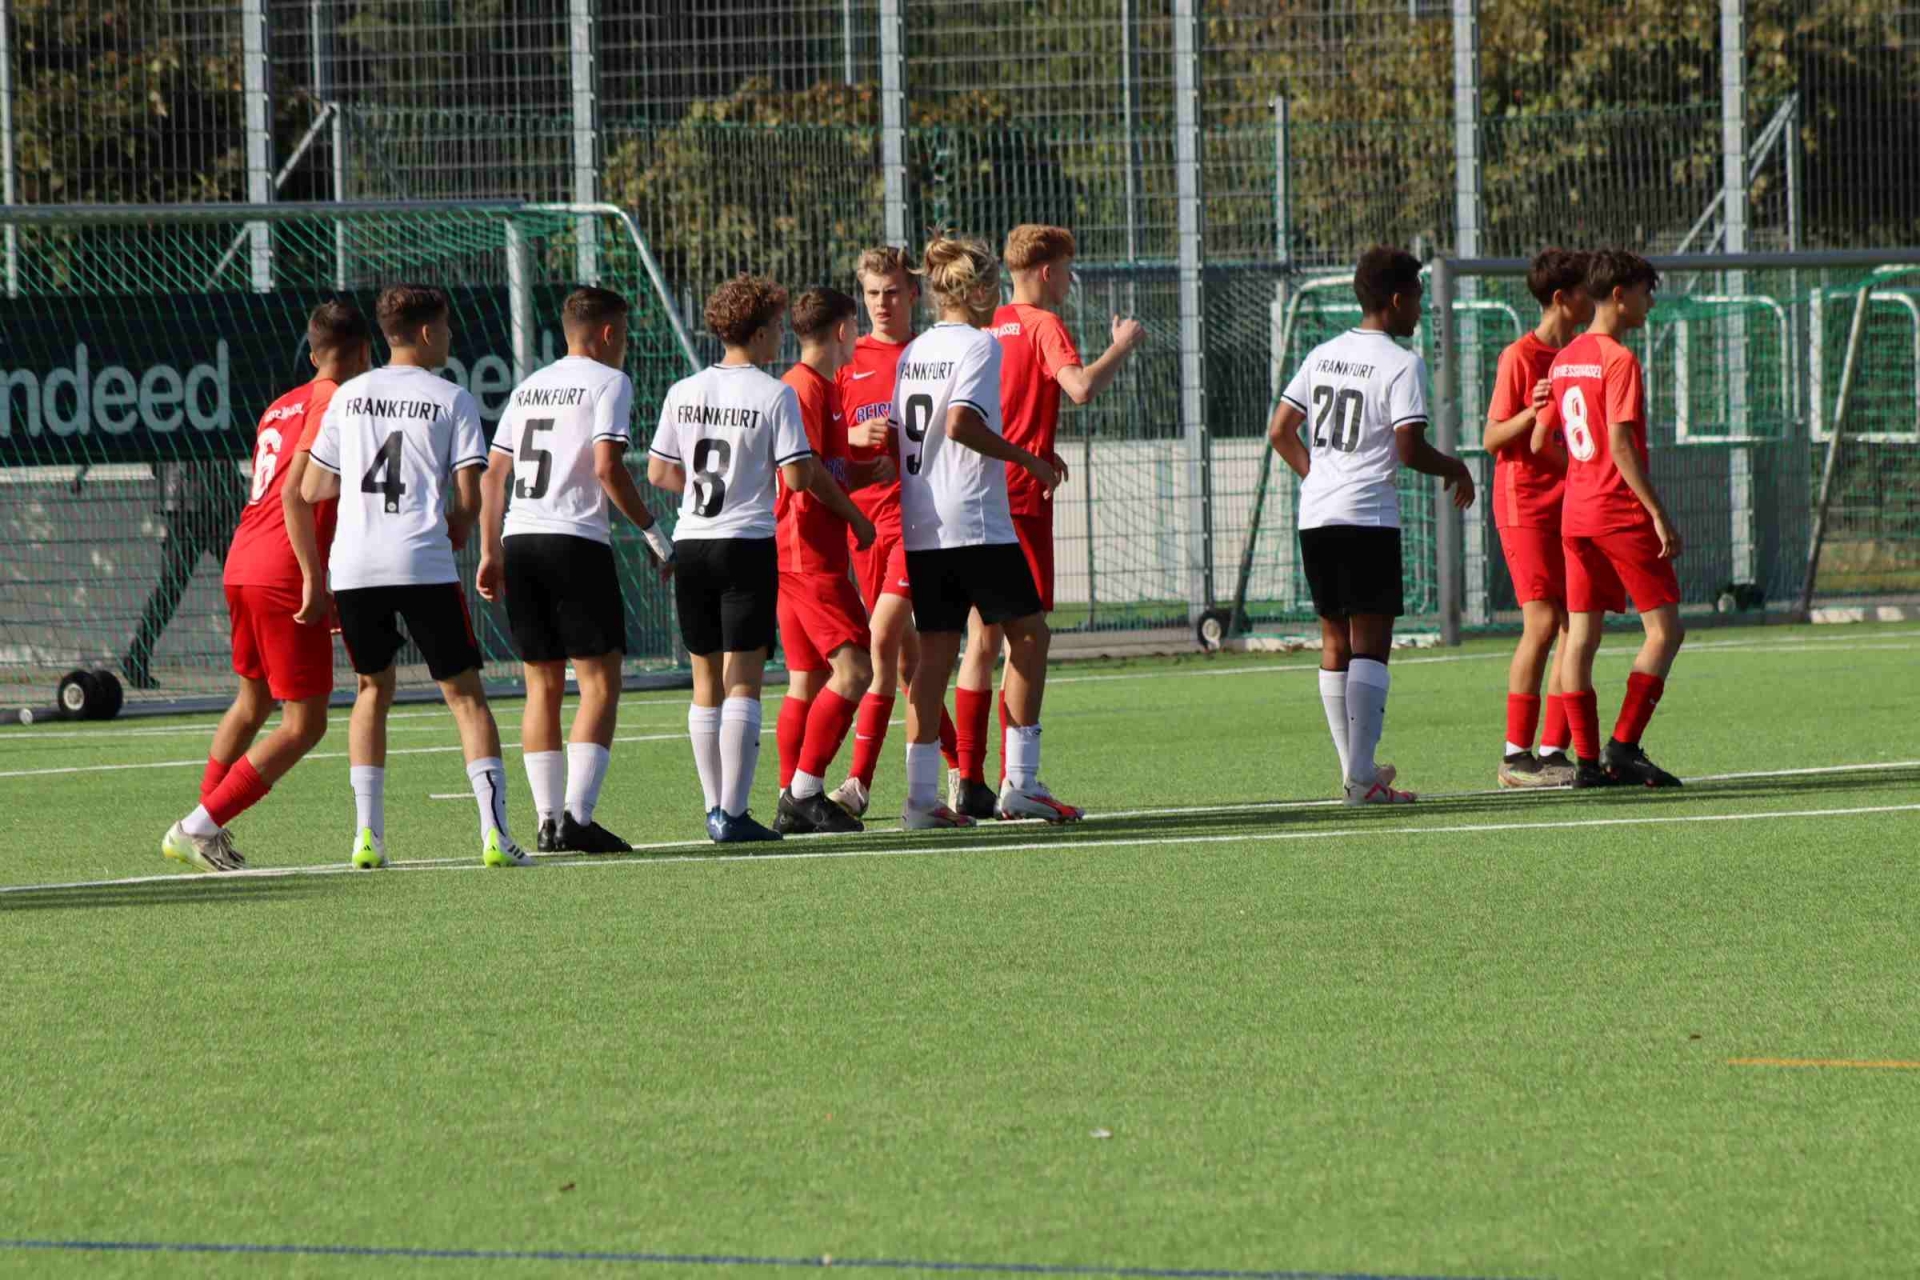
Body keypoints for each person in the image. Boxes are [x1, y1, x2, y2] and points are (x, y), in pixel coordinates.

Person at [300, 283, 530, 868]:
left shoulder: (348, 397)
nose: (450, 337)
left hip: (354, 566)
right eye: (447, 328)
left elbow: (313, 487)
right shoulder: (450, 398)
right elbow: (468, 491)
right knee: (465, 698)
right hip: (420, 559)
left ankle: (367, 838)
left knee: (372, 691)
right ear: (427, 332)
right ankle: (495, 836)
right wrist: (458, 528)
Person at [857, 233, 1074, 828]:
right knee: (1030, 637)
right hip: (974, 519)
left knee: (933, 657)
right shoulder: (979, 347)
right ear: (977, 291)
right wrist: (1026, 459)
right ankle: (1022, 782)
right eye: (993, 286)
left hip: (923, 523)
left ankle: (922, 800)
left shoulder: (914, 351)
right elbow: (960, 425)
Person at [648, 275, 872, 843]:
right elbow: (797, 475)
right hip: (746, 543)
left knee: (706, 682)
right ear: (761, 330)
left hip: (692, 540)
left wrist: (703, 492)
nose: (781, 337)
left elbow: (659, 473)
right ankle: (736, 811)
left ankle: (711, 811)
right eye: (776, 326)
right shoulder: (774, 394)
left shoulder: (684, 389)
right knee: (744, 683)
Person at [160, 301, 371, 872]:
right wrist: (315, 574)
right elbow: (297, 492)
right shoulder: (341, 400)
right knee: (305, 723)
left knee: (252, 701)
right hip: (283, 567)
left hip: (243, 559)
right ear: (364, 354)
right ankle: (198, 826)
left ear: (311, 353)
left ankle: (208, 824)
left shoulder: (281, 405)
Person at [1266, 245, 1476, 805]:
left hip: (1317, 514)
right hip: (1366, 517)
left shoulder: (1323, 353)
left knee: (1335, 638)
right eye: (1418, 298)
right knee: (1372, 643)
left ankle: (1355, 770)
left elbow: (1281, 430)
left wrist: (1318, 476)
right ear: (1399, 299)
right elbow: (1408, 447)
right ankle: (1361, 778)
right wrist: (1454, 466)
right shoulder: (1402, 363)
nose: (1421, 310)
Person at [949, 223, 1145, 818]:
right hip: (1022, 503)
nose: (1068, 280)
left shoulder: (991, 326)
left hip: (980, 496)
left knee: (978, 642)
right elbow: (1080, 388)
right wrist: (1123, 344)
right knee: (1029, 641)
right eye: (1066, 268)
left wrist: (1035, 443)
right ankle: (1022, 780)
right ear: (1045, 272)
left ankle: (967, 777)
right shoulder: (1042, 325)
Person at [476, 286, 677, 855]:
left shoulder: (529, 385)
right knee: (599, 683)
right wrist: (654, 534)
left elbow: (494, 475)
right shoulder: (609, 382)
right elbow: (608, 466)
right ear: (609, 333)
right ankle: (577, 818)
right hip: (573, 543)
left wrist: (491, 550)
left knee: (541, 684)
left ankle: (545, 821)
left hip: (520, 537)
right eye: (626, 334)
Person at [1534, 249, 1685, 789]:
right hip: (1618, 512)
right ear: (1619, 294)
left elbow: (1539, 438)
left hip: (1575, 514)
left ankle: (1585, 763)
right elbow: (1621, 446)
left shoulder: (1565, 356)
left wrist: (1582, 472)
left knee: (1580, 638)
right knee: (1665, 630)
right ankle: (1623, 747)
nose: (1651, 302)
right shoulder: (1619, 360)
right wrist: (1659, 513)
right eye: (1647, 291)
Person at [824, 247, 960, 820]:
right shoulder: (845, 364)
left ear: (913, 293)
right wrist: (856, 442)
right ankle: (964, 769)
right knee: (906, 666)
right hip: (863, 527)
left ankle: (856, 785)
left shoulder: (929, 354)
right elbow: (828, 443)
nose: (882, 304)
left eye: (894, 293)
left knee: (879, 646)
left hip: (915, 523)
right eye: (873, 294)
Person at [772, 287, 886, 835]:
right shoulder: (803, 389)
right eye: (855, 324)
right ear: (842, 330)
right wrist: (860, 519)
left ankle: (788, 794)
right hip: (806, 553)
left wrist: (876, 471)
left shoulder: (823, 388)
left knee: (808, 677)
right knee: (855, 670)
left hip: (801, 552)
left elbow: (831, 469)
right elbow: (807, 477)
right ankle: (804, 791)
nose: (859, 336)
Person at [1483, 248, 1590, 788]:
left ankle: (1552, 752)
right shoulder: (1518, 357)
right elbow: (1493, 437)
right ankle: (1514, 755)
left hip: (1569, 498)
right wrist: (1532, 408)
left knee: (1577, 625)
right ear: (1560, 299)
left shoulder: (1579, 355)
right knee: (1543, 622)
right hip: (1523, 499)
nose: (1590, 301)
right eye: (1582, 292)